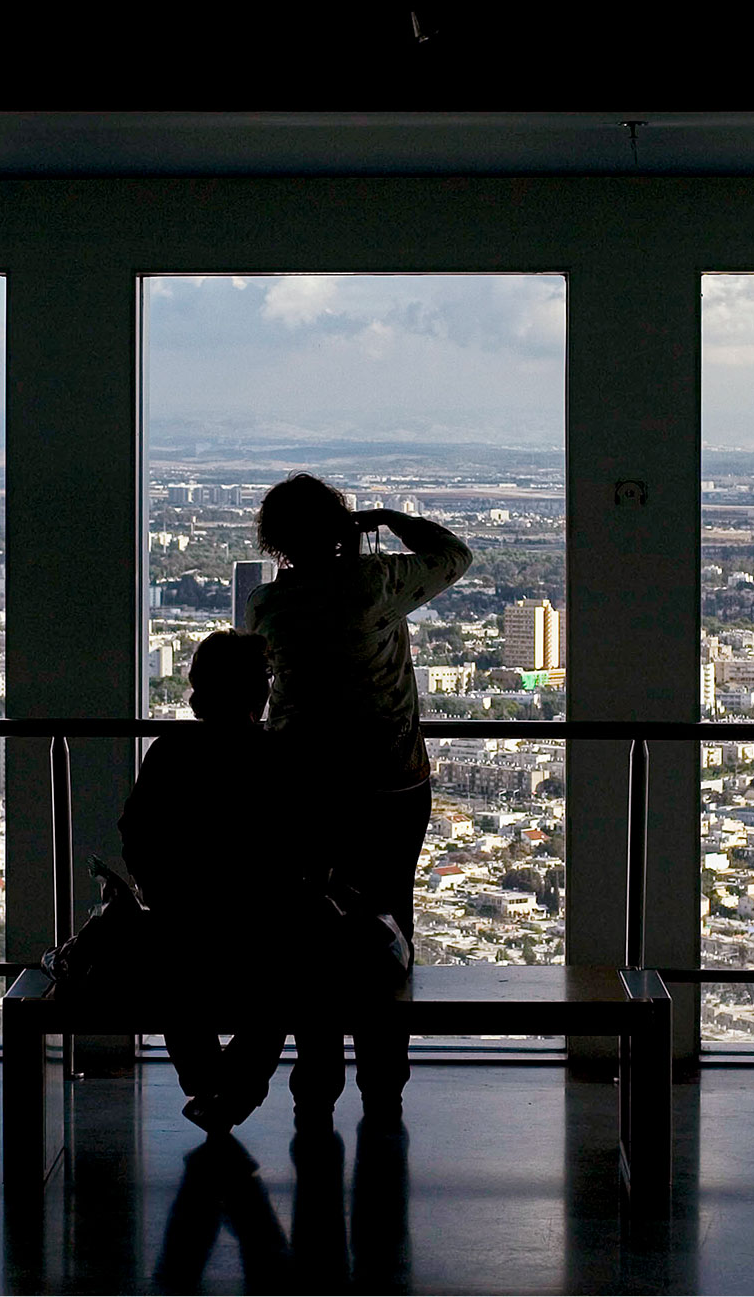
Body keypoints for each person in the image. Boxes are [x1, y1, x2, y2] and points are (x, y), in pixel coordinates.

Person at [243, 473, 472, 1128]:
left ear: (276, 540)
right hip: (391, 783)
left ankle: (316, 1083)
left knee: (309, 926)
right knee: (387, 924)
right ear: (340, 527)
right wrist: (392, 517)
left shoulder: (265, 606)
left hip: (304, 787)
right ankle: (383, 1080)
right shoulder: (374, 584)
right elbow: (454, 555)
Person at [120, 629, 286, 1136]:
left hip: (184, 928)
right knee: (286, 977)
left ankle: (211, 1083)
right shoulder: (277, 758)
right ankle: (232, 1090)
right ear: (259, 692)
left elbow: (137, 833)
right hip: (262, 936)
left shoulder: (171, 752)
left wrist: (158, 891)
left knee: (171, 969)